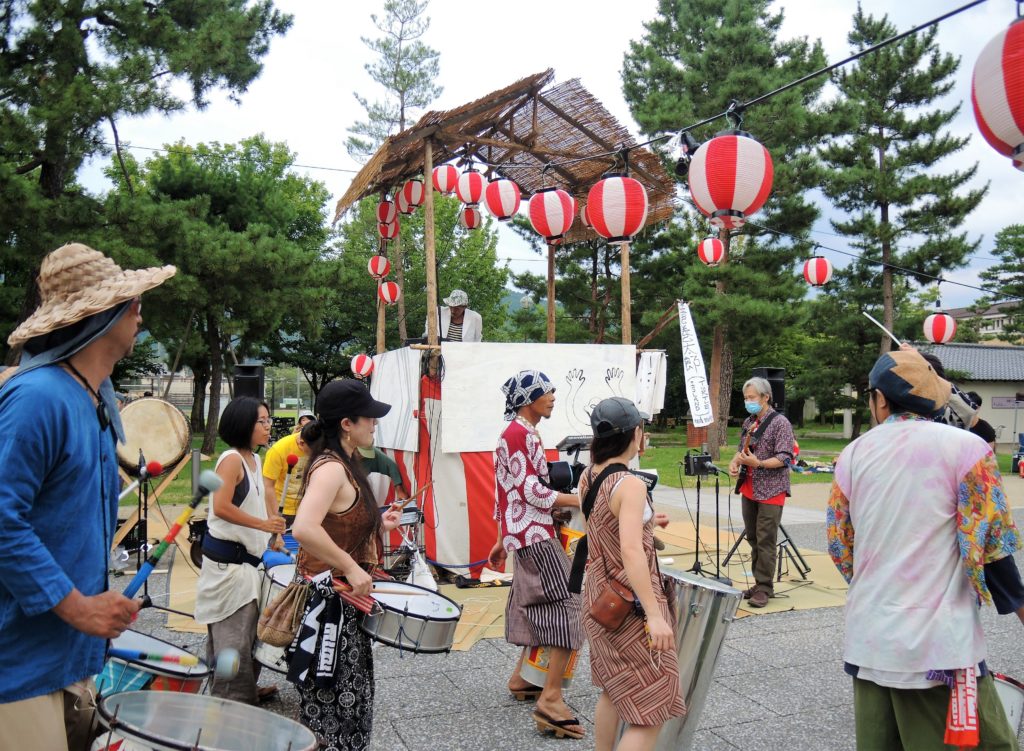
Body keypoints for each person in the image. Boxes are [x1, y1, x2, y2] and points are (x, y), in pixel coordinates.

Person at [0, 242, 175, 750]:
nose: (140, 310)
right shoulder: (38, 398)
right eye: (131, 301)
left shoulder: (92, 395)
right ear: (100, 315)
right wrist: (79, 607)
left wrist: (96, 607)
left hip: (67, 656)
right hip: (17, 665)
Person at [827, 349, 1024, 750]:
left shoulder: (853, 455)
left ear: (880, 399)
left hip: (870, 639)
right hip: (940, 648)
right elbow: (991, 546)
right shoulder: (968, 451)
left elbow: (840, 543)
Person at [289, 379, 402, 751]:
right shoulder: (331, 468)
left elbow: (336, 519)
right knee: (332, 707)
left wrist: (377, 523)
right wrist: (351, 567)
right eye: (369, 418)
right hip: (328, 605)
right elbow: (304, 527)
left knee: (350, 702)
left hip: (345, 603)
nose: (375, 424)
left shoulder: (347, 463)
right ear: (346, 424)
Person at [579, 397, 685, 751]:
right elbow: (630, 551)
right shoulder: (631, 484)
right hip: (631, 606)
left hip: (600, 598)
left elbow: (604, 524)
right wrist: (655, 615)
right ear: (635, 434)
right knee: (650, 712)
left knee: (615, 689)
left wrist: (648, 520)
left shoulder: (589, 476)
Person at [487, 370, 585, 740]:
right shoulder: (517, 433)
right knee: (567, 603)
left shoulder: (522, 432)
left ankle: (521, 680)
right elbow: (530, 489)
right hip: (533, 534)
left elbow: (505, 490)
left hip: (526, 531)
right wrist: (581, 500)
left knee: (534, 603)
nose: (554, 397)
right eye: (547, 392)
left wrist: (501, 538)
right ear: (528, 398)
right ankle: (552, 698)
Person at [195, 396, 286, 705]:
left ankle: (243, 689)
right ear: (243, 424)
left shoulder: (255, 459)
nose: (268, 425)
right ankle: (231, 704)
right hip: (229, 569)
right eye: (262, 421)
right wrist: (263, 526)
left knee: (251, 635)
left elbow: (258, 499)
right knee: (231, 641)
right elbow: (220, 508)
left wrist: (272, 529)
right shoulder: (231, 459)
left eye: (268, 419)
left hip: (248, 565)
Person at [727, 376, 795, 608]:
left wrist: (760, 464)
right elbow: (740, 450)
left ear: (766, 397)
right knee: (753, 536)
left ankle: (765, 588)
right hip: (750, 487)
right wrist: (735, 462)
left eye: (752, 398)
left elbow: (786, 457)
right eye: (746, 398)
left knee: (766, 538)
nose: (748, 402)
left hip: (771, 489)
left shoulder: (780, 423)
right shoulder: (749, 421)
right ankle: (759, 582)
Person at [263, 428, 310, 526]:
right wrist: (276, 519)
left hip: (306, 508)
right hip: (281, 509)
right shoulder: (278, 450)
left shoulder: (323, 445)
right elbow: (267, 486)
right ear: (302, 443)